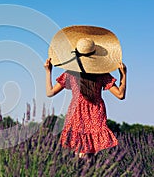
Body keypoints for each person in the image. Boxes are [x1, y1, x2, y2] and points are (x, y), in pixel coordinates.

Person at [45, 25, 127, 158]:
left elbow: (50, 92)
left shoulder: (71, 74)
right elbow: (120, 95)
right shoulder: (102, 75)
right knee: (91, 155)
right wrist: (124, 75)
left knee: (79, 154)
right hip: (96, 111)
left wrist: (48, 72)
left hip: (76, 111)